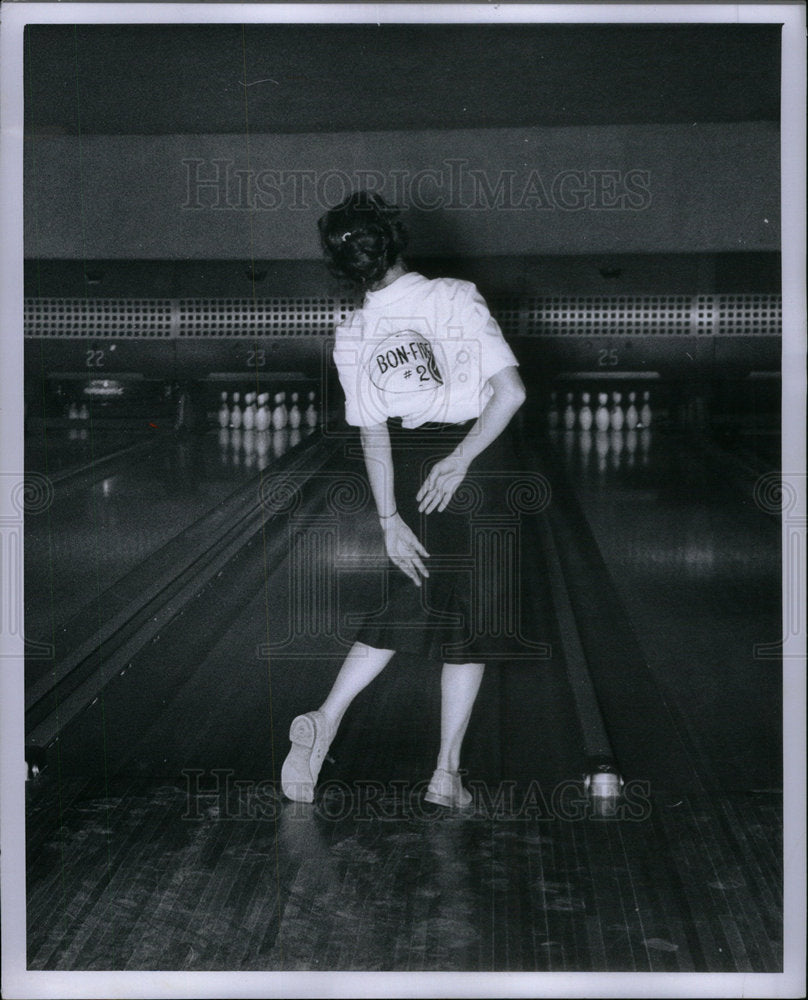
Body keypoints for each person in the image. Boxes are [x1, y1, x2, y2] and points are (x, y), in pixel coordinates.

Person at [281, 191, 526, 808]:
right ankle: (445, 775)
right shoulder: (453, 296)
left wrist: (389, 519)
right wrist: (463, 458)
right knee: (471, 618)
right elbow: (511, 394)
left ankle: (327, 717)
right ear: (395, 241)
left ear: (343, 267)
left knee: (411, 595)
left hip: (413, 469)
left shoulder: (354, 332)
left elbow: (374, 436)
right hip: (478, 462)